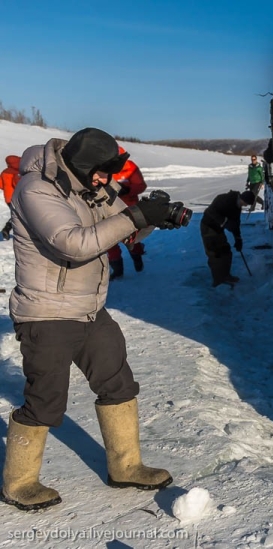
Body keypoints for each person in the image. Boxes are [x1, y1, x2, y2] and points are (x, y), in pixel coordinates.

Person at [1, 127, 182, 511]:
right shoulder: (36, 189)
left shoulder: (91, 186)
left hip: (90, 309)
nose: (106, 181)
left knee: (118, 382)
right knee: (46, 401)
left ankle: (126, 465)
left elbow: (125, 224)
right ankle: (19, 483)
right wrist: (133, 217)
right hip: (46, 313)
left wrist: (153, 215)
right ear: (83, 165)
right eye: (101, 172)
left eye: (109, 174)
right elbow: (75, 242)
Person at [201, 189, 255, 287]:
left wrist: (238, 239)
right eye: (245, 203)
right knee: (215, 254)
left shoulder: (237, 207)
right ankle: (218, 281)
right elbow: (211, 212)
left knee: (226, 252)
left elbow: (235, 224)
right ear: (242, 198)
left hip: (218, 229)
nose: (245, 206)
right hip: (208, 227)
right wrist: (224, 222)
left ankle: (226, 276)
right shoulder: (223, 199)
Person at [108, 146, 147, 278]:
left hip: (128, 209)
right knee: (109, 241)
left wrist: (128, 189)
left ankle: (137, 255)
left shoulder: (131, 167)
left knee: (131, 239)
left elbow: (140, 185)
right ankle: (117, 270)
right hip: (108, 209)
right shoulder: (102, 168)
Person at [1, 154, 20, 239]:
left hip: (8, 198)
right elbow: (17, 184)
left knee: (16, 214)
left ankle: (7, 228)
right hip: (17, 197)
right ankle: (7, 228)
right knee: (19, 215)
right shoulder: (17, 172)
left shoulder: (4, 172)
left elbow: (1, 185)